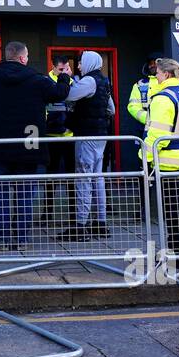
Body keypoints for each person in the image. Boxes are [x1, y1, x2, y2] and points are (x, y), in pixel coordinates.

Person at [0, 42, 70, 248]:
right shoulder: (38, 80)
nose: (27, 59)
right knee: (25, 195)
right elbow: (60, 93)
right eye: (26, 56)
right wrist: (64, 74)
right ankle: (20, 240)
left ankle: (1, 239)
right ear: (21, 58)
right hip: (29, 147)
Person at [142, 58, 179, 252]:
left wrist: (145, 158)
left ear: (166, 74)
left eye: (157, 73)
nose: (155, 77)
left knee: (170, 209)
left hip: (168, 161)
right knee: (177, 208)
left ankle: (177, 249)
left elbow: (159, 136)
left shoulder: (163, 98)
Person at [60, 51, 116, 240]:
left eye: (81, 63)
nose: (79, 67)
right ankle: (100, 223)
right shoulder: (104, 81)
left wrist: (67, 79)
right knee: (97, 179)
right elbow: (112, 109)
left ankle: (80, 226)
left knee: (83, 179)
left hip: (87, 135)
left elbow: (69, 96)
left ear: (90, 63)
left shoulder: (89, 81)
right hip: (101, 135)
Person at [43, 54, 75, 219]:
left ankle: (72, 212)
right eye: (61, 70)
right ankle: (47, 212)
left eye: (66, 69)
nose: (64, 72)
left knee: (71, 176)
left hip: (69, 136)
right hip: (51, 136)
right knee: (51, 175)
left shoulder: (72, 81)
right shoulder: (46, 82)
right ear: (53, 67)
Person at [127, 54, 163, 128]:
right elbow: (133, 107)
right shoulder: (140, 85)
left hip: (167, 127)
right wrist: (149, 120)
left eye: (155, 63)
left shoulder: (169, 82)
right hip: (143, 128)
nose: (152, 66)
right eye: (150, 64)